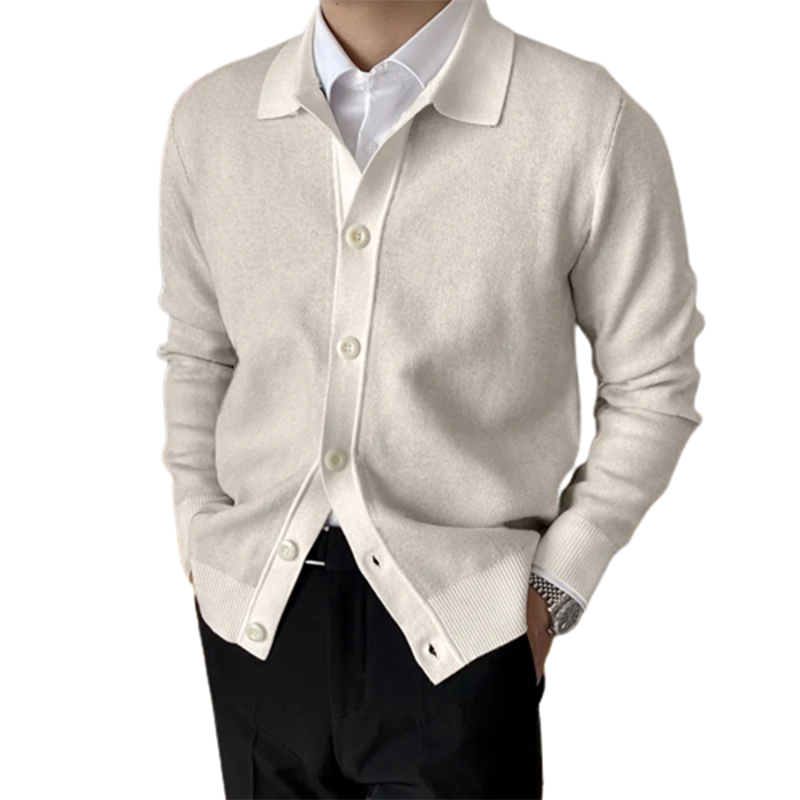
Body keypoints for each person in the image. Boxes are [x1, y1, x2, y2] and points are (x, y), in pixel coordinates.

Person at [156, 0, 704, 797]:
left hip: (466, 627)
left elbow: (654, 381)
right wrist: (200, 535)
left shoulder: (584, 119)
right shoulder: (213, 120)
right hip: (255, 621)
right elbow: (200, 355)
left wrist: (558, 582)